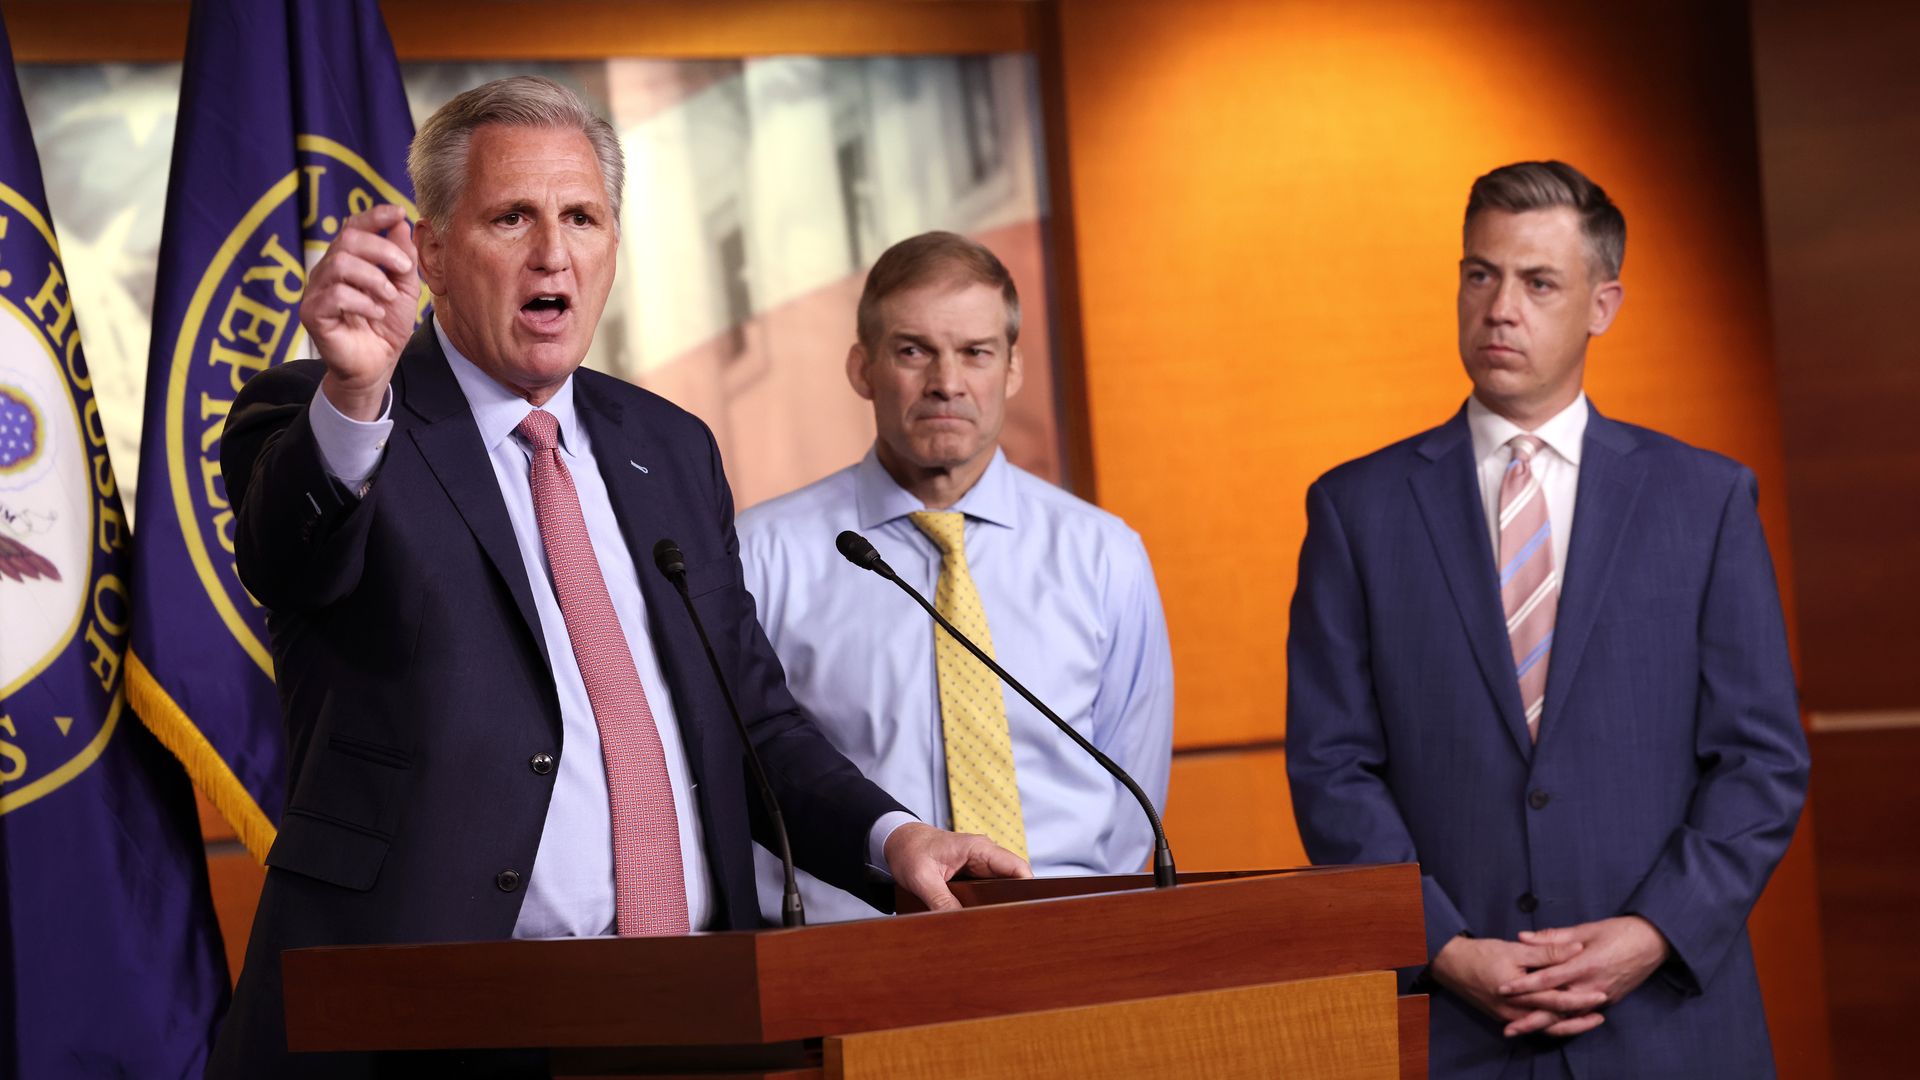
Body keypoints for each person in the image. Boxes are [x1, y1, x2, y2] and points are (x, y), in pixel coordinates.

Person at [208, 78, 1026, 1077]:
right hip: (424, 1024)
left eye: (582, 218)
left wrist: (892, 839)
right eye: (513, 217)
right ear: (430, 254)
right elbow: (286, 557)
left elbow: (751, 723)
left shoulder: (670, 448)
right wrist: (351, 392)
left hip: (687, 1016)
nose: (554, 252)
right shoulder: (332, 414)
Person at [1285, 161, 1809, 1078]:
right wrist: (1443, 947)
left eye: (1538, 283)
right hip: (1454, 1031)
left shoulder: (1705, 499)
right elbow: (1331, 767)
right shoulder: (1355, 510)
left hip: (1669, 1025)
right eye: (1479, 274)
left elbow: (1760, 760)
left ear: (1602, 305)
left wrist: (1653, 933)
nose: (1499, 309)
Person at [736, 231, 1174, 924]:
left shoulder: (1104, 555)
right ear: (862, 368)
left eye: (976, 352)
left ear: (1012, 369)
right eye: (914, 351)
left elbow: (1132, 793)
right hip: (853, 957)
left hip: (1066, 945)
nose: (947, 382)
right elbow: (753, 777)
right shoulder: (760, 555)